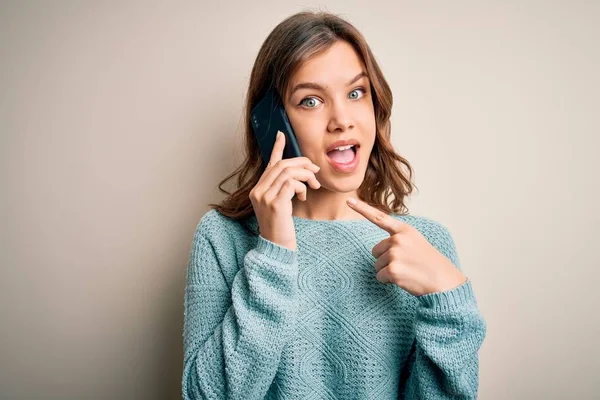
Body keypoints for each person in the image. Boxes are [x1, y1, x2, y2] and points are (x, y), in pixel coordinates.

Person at [182, 10, 487, 399]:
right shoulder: (223, 237)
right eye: (311, 101)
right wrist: (273, 252)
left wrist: (450, 302)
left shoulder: (424, 244)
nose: (342, 119)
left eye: (356, 93)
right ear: (274, 122)